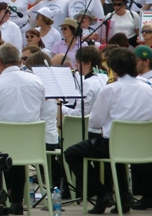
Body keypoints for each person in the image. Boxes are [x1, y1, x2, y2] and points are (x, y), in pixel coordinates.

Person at [64, 48, 152, 214]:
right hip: (143, 145)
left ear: (113, 68)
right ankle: (123, 197)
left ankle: (101, 193)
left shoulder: (110, 90)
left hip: (114, 145)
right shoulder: (148, 89)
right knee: (115, 154)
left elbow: (95, 122)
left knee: (71, 153)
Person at [0, 43, 45, 215]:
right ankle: (16, 199)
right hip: (31, 146)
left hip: (1, 148)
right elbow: (40, 111)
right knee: (15, 141)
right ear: (19, 61)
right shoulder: (37, 82)